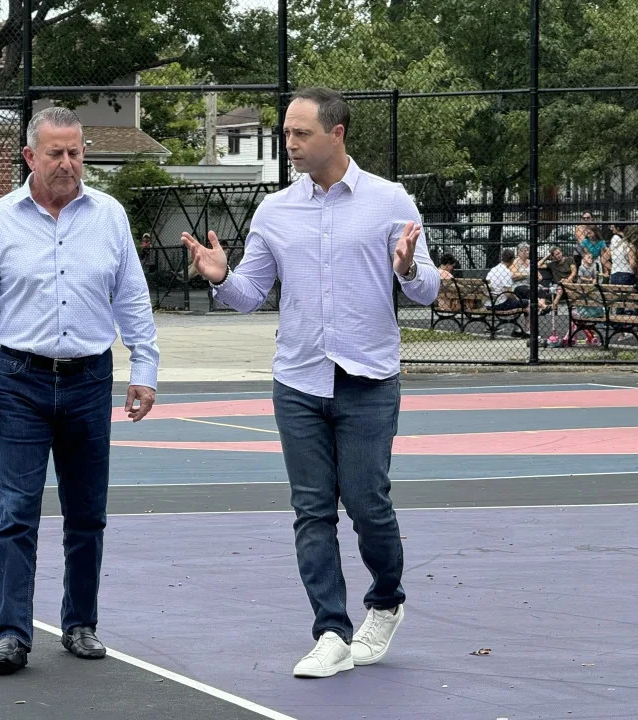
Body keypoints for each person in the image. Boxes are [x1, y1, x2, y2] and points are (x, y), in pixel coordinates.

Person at [183, 87, 439, 679]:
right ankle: (330, 631)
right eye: (287, 134)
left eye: (301, 134)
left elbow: (426, 288)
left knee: (368, 504)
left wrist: (406, 267)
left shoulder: (389, 200)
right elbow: (249, 294)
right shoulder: (275, 211)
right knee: (312, 511)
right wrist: (221, 278)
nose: (290, 144)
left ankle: (387, 598)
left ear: (337, 133)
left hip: (369, 380)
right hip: (297, 380)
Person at [0, 106, 159, 675]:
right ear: (30, 157)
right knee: (16, 511)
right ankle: (12, 635)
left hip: (91, 378)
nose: (68, 163)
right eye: (56, 153)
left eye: (75, 152)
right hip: (20, 381)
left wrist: (145, 368)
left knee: (86, 513)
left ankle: (80, 624)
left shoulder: (110, 217)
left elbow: (132, 300)